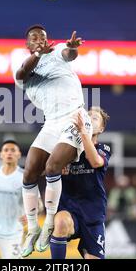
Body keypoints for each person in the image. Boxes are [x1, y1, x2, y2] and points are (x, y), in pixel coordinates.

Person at [12, 24, 91, 257]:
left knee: (52, 167)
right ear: (27, 45)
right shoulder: (24, 70)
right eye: (34, 38)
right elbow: (22, 73)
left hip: (74, 117)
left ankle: (49, 224)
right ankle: (33, 229)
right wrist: (37, 53)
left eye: (43, 37)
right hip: (52, 122)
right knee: (29, 173)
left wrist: (72, 48)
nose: (40, 40)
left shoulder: (56, 54)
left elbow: (69, 53)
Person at [49, 107, 111, 259]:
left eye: (95, 118)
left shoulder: (103, 148)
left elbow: (95, 162)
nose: (90, 118)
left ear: (101, 129)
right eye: (88, 116)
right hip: (69, 209)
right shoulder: (65, 148)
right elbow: (46, 169)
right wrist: (57, 166)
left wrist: (84, 133)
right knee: (62, 222)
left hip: (93, 215)